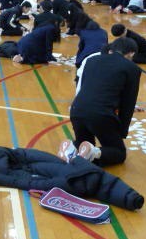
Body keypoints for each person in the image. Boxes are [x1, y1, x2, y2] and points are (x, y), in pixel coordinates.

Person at [58, 38, 141, 167]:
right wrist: (121, 132)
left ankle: (73, 149)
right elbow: (128, 104)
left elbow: (83, 87)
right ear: (131, 53)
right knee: (119, 152)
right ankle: (94, 153)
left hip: (77, 109)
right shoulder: (132, 68)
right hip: (100, 114)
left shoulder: (91, 60)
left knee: (84, 144)